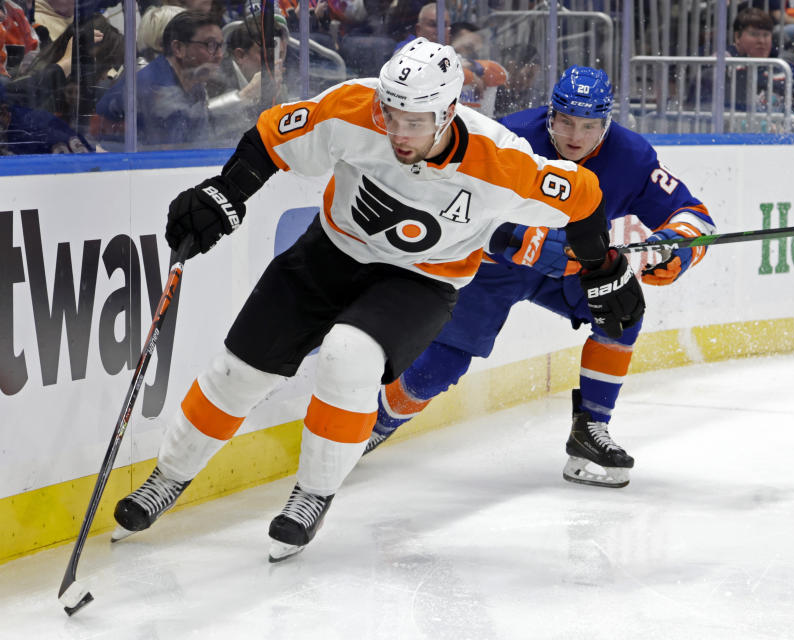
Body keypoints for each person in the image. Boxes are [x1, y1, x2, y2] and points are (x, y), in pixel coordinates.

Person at [109, 40, 644, 560]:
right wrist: (225, 193)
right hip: (329, 252)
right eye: (392, 115)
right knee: (239, 371)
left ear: (450, 111)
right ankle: (167, 479)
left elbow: (583, 199)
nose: (399, 132)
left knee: (350, 356)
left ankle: (313, 492)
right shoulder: (354, 107)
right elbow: (272, 138)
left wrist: (604, 270)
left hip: (422, 280)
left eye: (416, 122)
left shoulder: (500, 160)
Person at [366, 66, 714, 489]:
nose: (575, 136)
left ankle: (590, 430)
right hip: (490, 268)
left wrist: (675, 247)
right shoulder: (506, 137)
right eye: (566, 121)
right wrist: (509, 237)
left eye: (589, 126)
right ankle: (375, 424)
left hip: (569, 265)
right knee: (439, 368)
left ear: (607, 122)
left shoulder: (632, 157)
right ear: (550, 114)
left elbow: (694, 216)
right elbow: (446, 204)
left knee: (621, 309)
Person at [94, 10, 225, 149]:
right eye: (211, 45)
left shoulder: (192, 82)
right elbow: (171, 155)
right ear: (179, 48)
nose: (220, 55)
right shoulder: (155, 88)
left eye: (220, 46)